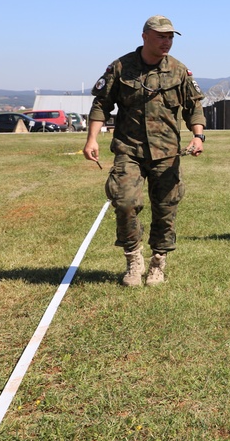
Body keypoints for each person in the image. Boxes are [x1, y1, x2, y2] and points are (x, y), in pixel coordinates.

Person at [83, 15, 206, 287]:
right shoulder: (120, 67)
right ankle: (133, 259)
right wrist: (92, 139)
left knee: (165, 209)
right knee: (125, 202)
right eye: (161, 36)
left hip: (167, 153)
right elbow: (101, 104)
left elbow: (194, 106)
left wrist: (198, 136)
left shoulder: (178, 70)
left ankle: (158, 262)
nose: (167, 42)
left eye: (171, 37)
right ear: (145, 37)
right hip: (130, 150)